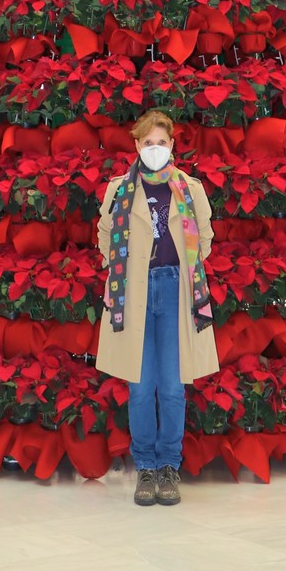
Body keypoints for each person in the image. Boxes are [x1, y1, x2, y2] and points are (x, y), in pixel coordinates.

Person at [96, 109, 219, 507]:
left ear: (172, 145)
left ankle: (168, 466)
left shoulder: (189, 188)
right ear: (136, 145)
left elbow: (204, 236)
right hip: (134, 291)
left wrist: (187, 268)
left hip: (175, 290)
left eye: (161, 142)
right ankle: (145, 467)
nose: (154, 149)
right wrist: (121, 268)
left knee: (171, 386)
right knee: (139, 385)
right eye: (147, 142)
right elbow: (105, 233)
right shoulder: (119, 189)